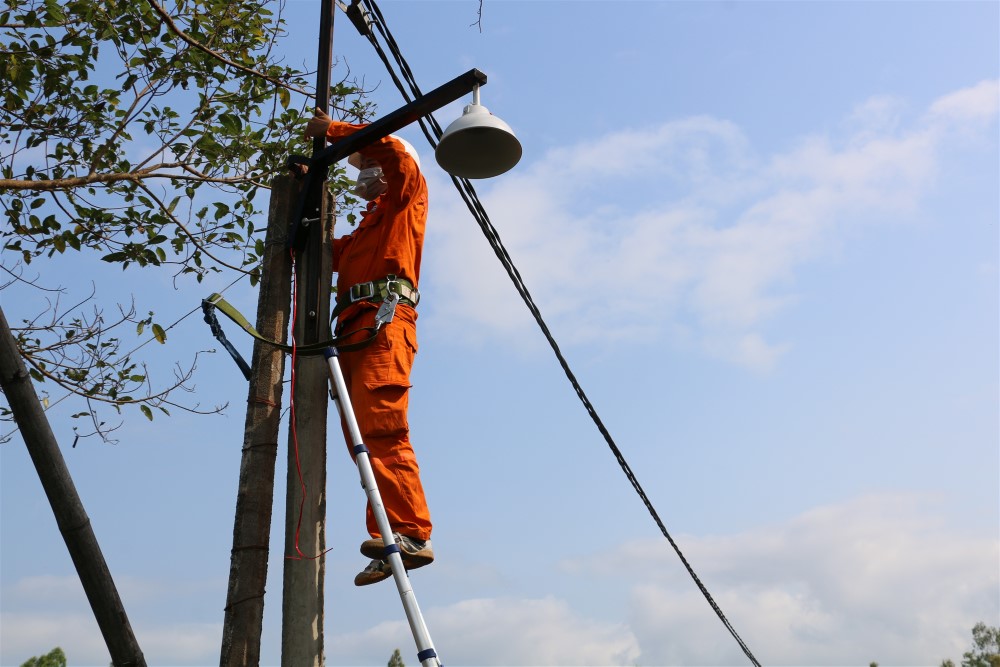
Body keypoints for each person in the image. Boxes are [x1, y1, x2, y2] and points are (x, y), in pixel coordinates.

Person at [304, 108, 433, 586]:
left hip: (386, 323)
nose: (362, 171)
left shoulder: (406, 197)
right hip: (354, 329)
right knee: (360, 438)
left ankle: (411, 532)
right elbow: (321, 250)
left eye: (363, 164)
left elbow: (395, 151)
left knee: (381, 427)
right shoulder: (367, 228)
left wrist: (334, 133)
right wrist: (305, 188)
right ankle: (388, 532)